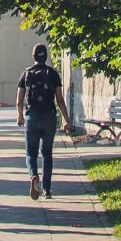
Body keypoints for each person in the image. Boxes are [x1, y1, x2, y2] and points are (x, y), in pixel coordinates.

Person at [16, 43, 73, 200]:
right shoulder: (53, 73)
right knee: (47, 153)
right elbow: (60, 100)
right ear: (46, 56)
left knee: (31, 153)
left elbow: (19, 100)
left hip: (32, 117)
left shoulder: (26, 74)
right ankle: (47, 190)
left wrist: (20, 115)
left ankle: (34, 176)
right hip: (49, 117)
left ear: (33, 56)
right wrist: (66, 120)